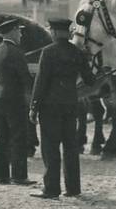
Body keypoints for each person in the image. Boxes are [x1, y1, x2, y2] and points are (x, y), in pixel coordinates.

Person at [29, 19, 95, 199]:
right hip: (70, 104)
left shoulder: (48, 52)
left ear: (56, 33)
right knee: (71, 147)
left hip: (50, 106)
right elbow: (89, 80)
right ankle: (73, 188)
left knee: (50, 148)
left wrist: (34, 106)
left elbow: (41, 81)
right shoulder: (77, 52)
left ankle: (51, 189)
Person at [0, 18, 35, 186]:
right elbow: (25, 78)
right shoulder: (16, 53)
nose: (21, 34)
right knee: (19, 137)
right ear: (13, 32)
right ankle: (19, 176)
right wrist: (33, 96)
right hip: (14, 99)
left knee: (1, 137)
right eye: (19, 31)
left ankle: (1, 176)